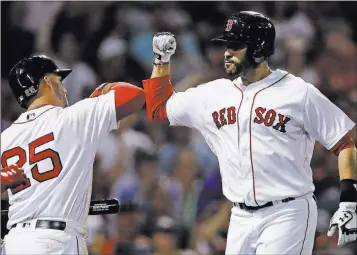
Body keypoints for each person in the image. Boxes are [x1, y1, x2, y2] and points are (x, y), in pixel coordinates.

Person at [142, 11, 357, 254]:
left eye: (235, 45)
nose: (226, 52)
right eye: (226, 45)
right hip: (239, 217)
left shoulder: (297, 92)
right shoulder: (213, 94)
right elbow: (157, 108)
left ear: (258, 48)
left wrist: (349, 199)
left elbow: (345, 142)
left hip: (287, 213)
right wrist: (161, 60)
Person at [0, 54, 145, 254]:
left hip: (16, 243)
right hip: (58, 242)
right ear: (48, 81)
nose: (64, 88)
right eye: (59, 80)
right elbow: (135, 95)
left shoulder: (5, 138)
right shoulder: (74, 118)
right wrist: (100, 93)